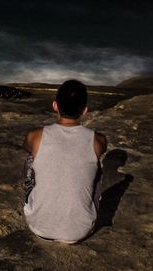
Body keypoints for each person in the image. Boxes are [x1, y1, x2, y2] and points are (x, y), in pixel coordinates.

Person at [22, 79, 108, 243]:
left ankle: (39, 207)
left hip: (39, 226)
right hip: (81, 230)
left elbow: (25, 146)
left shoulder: (35, 135)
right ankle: (80, 211)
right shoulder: (98, 140)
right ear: (84, 111)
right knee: (96, 164)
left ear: (55, 105)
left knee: (31, 157)